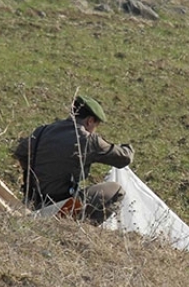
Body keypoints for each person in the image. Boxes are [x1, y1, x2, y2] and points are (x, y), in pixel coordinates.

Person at [13, 95, 135, 225]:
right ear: (89, 121)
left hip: (31, 203)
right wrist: (128, 147)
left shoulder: (42, 131)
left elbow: (20, 153)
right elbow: (124, 158)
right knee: (116, 190)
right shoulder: (87, 140)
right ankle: (83, 229)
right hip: (59, 207)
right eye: (96, 125)